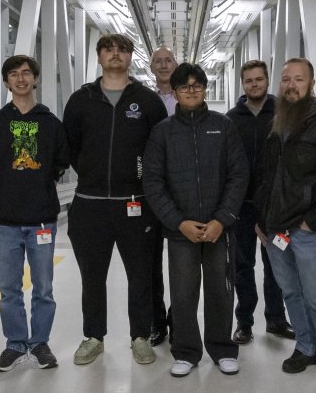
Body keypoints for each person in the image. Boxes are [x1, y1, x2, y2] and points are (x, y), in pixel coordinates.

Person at [63, 34, 168, 366]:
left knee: (140, 275)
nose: (115, 55)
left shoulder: (148, 101)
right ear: (99, 57)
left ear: (130, 57)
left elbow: (158, 151)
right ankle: (94, 337)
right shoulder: (81, 100)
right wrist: (93, 174)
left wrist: (137, 179)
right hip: (90, 203)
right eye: (109, 49)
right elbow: (71, 146)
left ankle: (140, 336)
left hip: (135, 203)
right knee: (92, 276)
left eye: (122, 50)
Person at [143, 62, 248, 377]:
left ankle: (222, 348)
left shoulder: (223, 125)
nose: (191, 90)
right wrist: (178, 222)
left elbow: (238, 174)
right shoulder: (162, 132)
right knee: (184, 293)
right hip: (181, 232)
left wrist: (222, 219)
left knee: (220, 290)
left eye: (197, 85)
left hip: (219, 230)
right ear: (174, 93)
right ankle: (186, 351)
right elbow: (152, 182)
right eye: (185, 86)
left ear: (205, 89)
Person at [254, 58, 316, 383]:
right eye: (285, 79)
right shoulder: (277, 122)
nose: (291, 85)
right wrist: (261, 218)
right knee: (291, 293)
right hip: (274, 229)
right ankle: (307, 349)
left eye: (298, 79)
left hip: (306, 229)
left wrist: (315, 220)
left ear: (311, 84)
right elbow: (267, 177)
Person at [0, 55, 69, 372]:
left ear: (36, 79)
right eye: (13, 74)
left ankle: (40, 343)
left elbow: (61, 162)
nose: (20, 78)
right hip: (5, 222)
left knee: (44, 288)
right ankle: (16, 344)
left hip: (42, 219)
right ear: (6, 82)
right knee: (9, 291)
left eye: (26, 73)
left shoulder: (51, 123)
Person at [225, 59, 294, 344]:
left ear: (268, 81)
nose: (254, 84)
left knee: (276, 263)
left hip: (275, 206)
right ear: (243, 84)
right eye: (249, 80)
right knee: (242, 266)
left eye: (258, 79)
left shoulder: (283, 113)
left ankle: (276, 319)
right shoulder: (231, 118)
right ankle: (244, 322)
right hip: (241, 206)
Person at [148, 45, 178, 345]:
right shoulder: (145, 101)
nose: (164, 65)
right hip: (154, 190)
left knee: (183, 263)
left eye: (168, 60)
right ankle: (157, 321)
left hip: (184, 189)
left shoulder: (188, 96)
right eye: (158, 61)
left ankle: (179, 319)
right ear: (151, 66)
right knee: (151, 262)